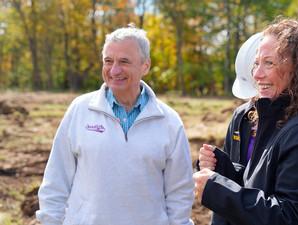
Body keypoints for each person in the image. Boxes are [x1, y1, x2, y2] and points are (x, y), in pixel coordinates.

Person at [194, 18, 298, 225]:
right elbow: (263, 188)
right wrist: (224, 170)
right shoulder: (280, 121)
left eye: (268, 63)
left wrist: (218, 190)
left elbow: (293, 218)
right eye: (256, 63)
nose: (257, 74)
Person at [36, 25, 194, 225]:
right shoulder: (80, 110)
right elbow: (56, 179)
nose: (114, 70)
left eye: (124, 62)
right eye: (108, 61)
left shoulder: (169, 121)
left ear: (145, 66)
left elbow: (179, 193)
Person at [198, 32, 263, 225]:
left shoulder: (297, 128)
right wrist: (217, 164)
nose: (253, 101)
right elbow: (237, 176)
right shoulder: (241, 116)